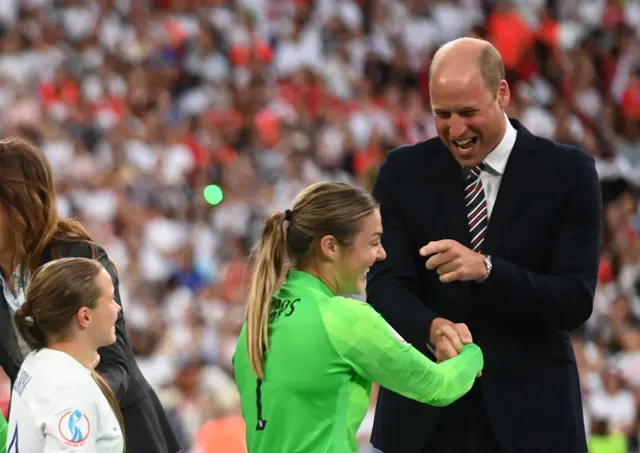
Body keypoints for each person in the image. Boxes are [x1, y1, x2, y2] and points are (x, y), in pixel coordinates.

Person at [366, 37, 602, 453]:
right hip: (424, 413)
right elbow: (385, 285)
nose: (456, 130)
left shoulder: (568, 172)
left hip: (532, 417)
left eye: (469, 112)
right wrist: (432, 327)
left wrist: (488, 269)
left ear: (503, 94)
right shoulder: (403, 172)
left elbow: (575, 299)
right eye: (443, 114)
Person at [232, 181, 484, 453]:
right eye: (374, 242)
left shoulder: (256, 322)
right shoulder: (343, 318)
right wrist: (473, 352)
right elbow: (438, 386)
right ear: (330, 247)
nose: (382, 253)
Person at [0, 137, 180, 453]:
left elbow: (117, 366)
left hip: (124, 433)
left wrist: (67, 401)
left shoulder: (77, 257)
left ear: (18, 204)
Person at [7, 258, 124, 452]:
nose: (117, 308)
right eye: (111, 299)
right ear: (85, 316)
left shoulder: (37, 361)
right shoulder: (69, 390)